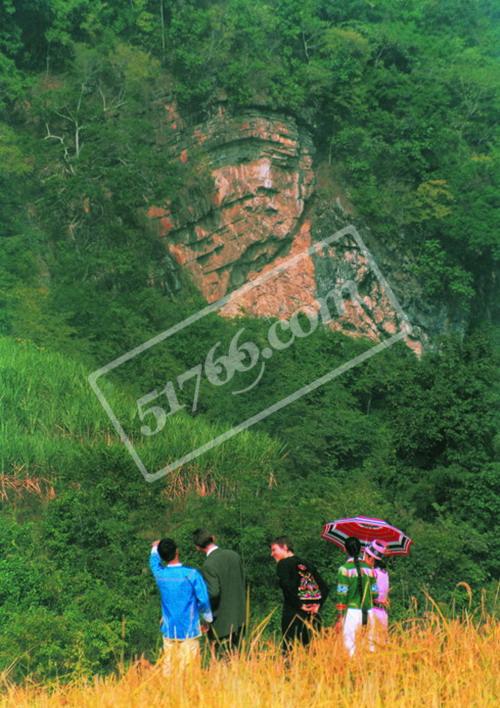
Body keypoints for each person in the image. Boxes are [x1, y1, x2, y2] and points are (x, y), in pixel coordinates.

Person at [150, 538, 213, 675]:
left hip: (169, 631)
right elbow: (203, 600)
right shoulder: (191, 574)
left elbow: (154, 563)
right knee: (190, 675)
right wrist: (207, 619)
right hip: (189, 631)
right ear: (177, 551)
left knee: (170, 673)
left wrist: (155, 548)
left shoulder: (160, 575)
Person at [270, 536, 329, 651]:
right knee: (313, 652)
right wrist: (318, 605)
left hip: (294, 616)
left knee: (290, 651)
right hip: (313, 617)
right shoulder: (307, 564)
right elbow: (325, 588)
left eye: (274, 550)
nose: (271, 554)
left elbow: (287, 587)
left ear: (285, 548)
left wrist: (300, 605)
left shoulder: (283, 564)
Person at [192, 528, 246, 654]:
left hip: (222, 623)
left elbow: (213, 593)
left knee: (223, 662)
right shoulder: (234, 555)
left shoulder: (208, 564)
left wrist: (206, 619)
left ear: (197, 547)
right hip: (240, 617)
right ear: (213, 538)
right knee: (239, 659)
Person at [335, 536, 379, 657]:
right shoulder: (370, 570)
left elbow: (341, 594)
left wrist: (339, 617)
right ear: (360, 550)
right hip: (369, 612)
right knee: (369, 648)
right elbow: (375, 593)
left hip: (352, 614)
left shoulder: (344, 570)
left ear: (345, 550)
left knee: (351, 651)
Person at [365, 540, 389, 638]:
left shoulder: (372, 574)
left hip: (372, 613)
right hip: (382, 614)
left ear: (371, 558)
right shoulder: (385, 573)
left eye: (366, 556)